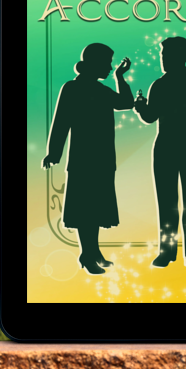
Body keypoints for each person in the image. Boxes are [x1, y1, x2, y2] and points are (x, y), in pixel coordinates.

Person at [42, 43, 134, 274]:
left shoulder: (102, 91)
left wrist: (119, 77)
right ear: (95, 63)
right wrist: (54, 152)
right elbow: (60, 122)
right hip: (83, 159)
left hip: (103, 159)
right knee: (85, 209)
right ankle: (87, 254)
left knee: (96, 207)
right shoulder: (72, 88)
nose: (110, 66)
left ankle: (93, 252)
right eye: (108, 62)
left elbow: (126, 103)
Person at [134, 37, 186, 270]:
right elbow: (151, 116)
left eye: (167, 55)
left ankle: (185, 255)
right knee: (175, 205)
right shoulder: (168, 83)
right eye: (163, 55)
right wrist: (141, 107)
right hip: (176, 149)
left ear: (182, 56)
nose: (163, 59)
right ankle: (175, 253)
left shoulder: (173, 83)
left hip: (181, 148)